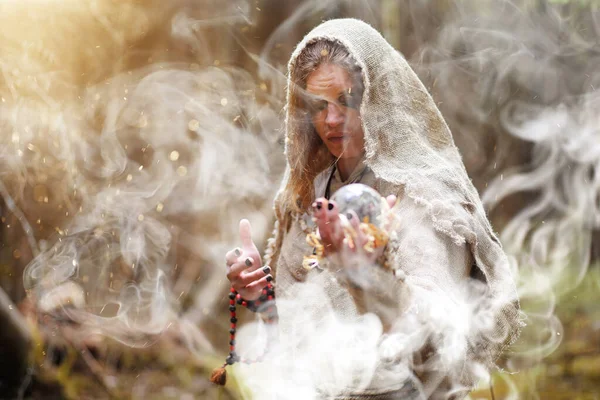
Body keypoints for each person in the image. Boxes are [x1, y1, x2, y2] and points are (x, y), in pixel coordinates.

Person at [223, 18, 521, 399]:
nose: (331, 120)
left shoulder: (428, 200)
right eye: (317, 105)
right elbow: (301, 335)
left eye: (347, 100)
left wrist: (369, 276)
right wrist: (261, 297)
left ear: (380, 98)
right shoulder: (308, 198)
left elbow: (435, 330)